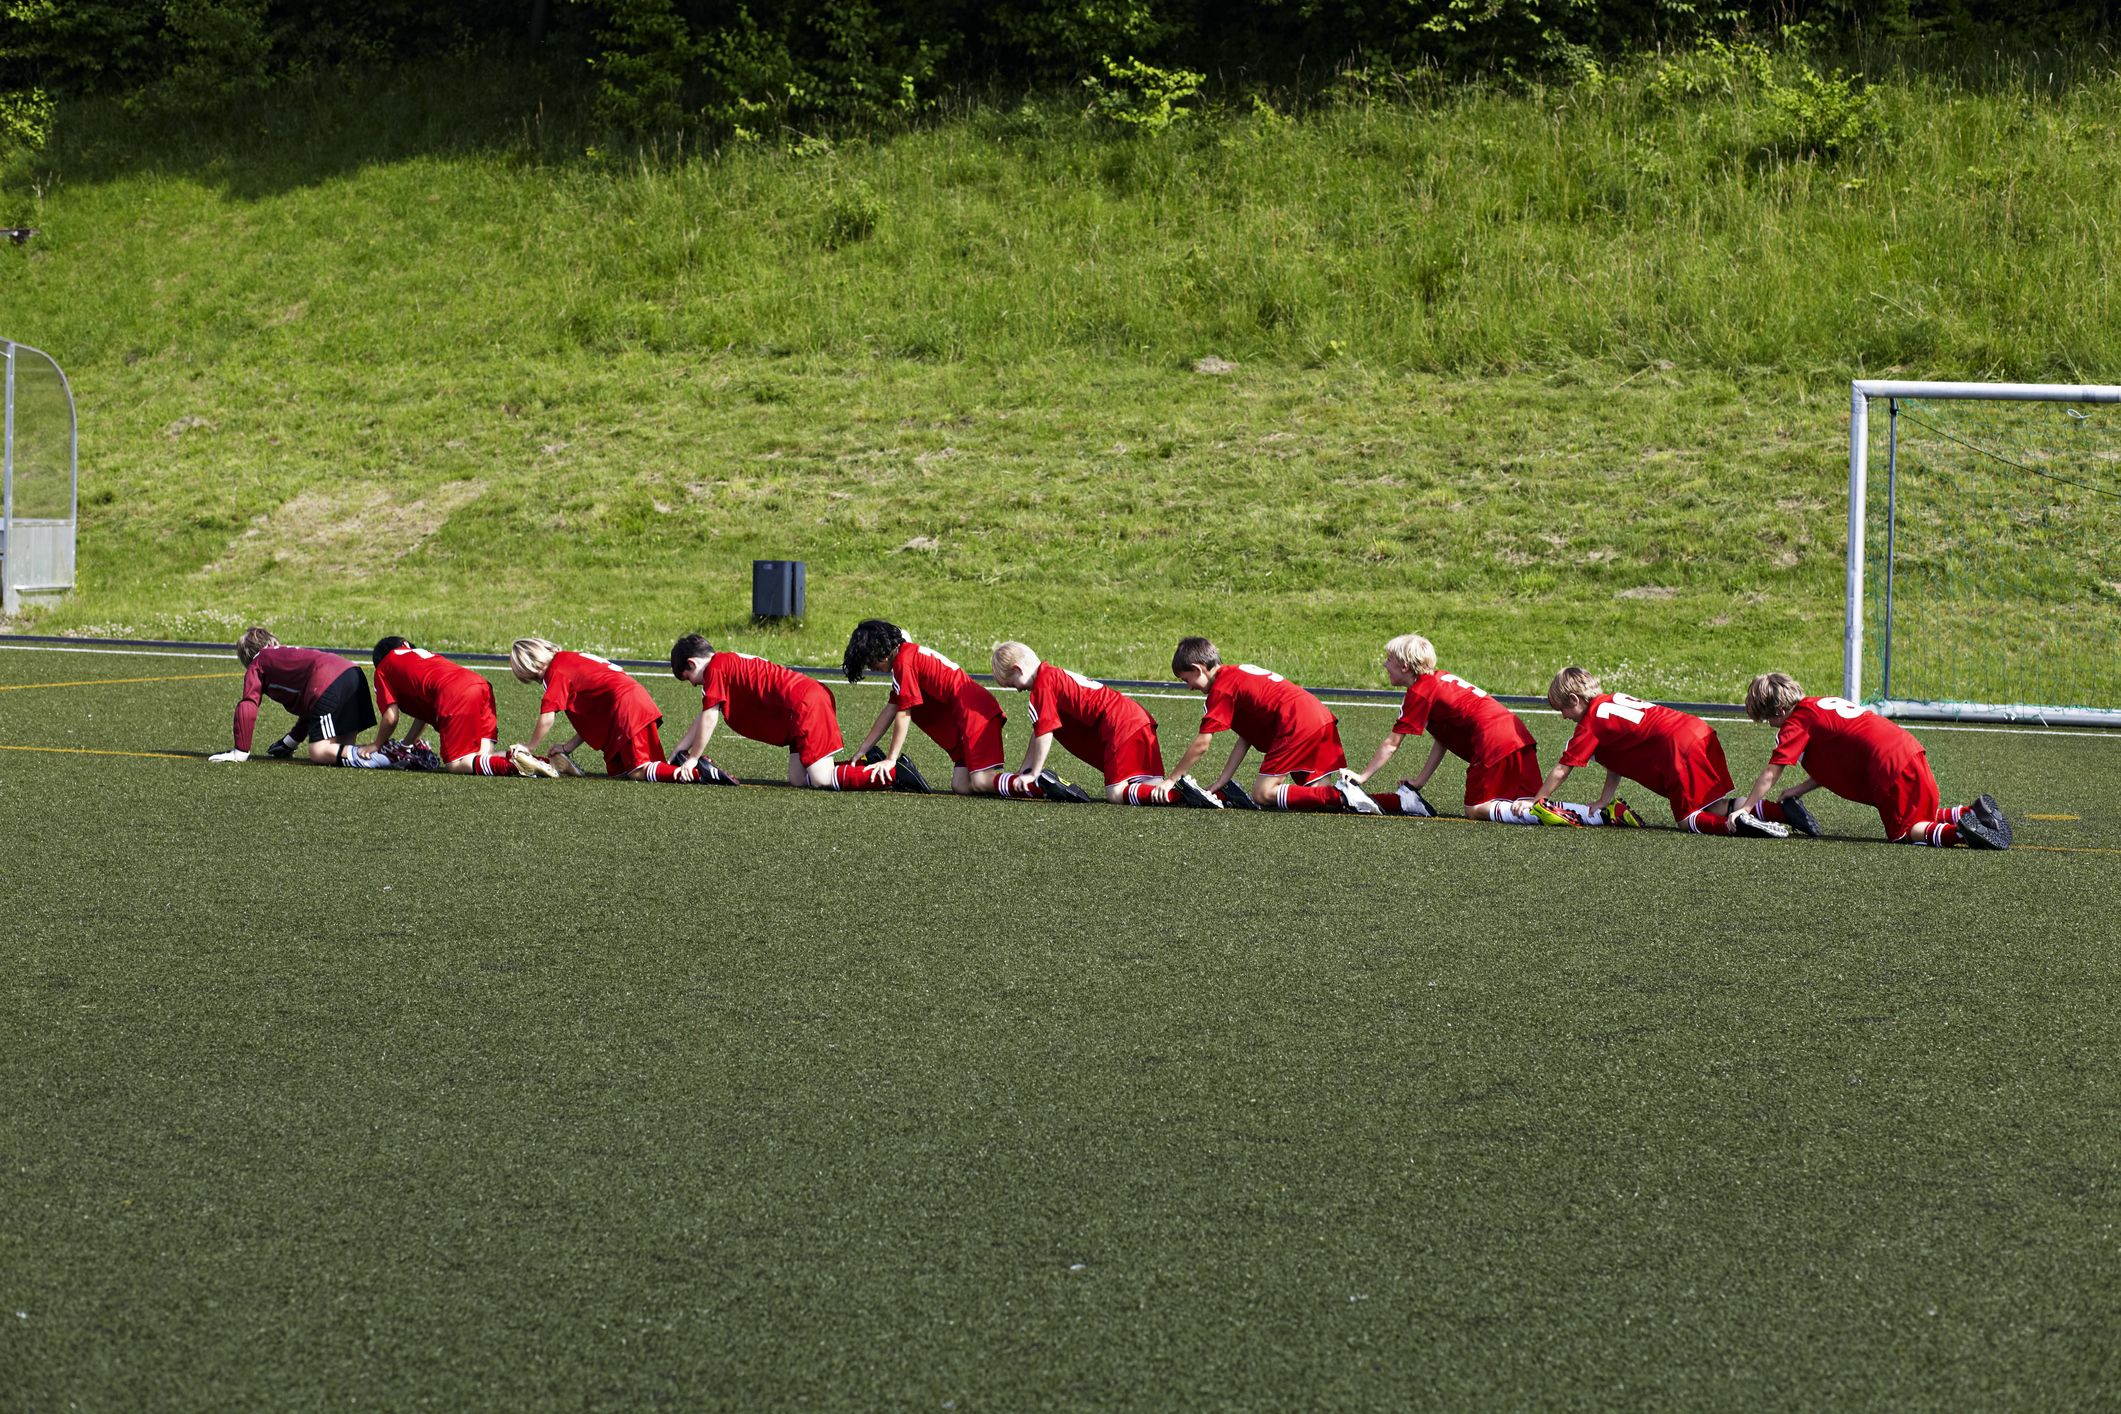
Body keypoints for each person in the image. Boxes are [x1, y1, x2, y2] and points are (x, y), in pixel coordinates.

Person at [1737, 673, 2010, 848]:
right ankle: (1971, 813)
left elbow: (1772, 772)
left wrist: (1746, 809)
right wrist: (1798, 790)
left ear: (1780, 710)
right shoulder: (1818, 705)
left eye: (1768, 719)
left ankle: (1961, 834)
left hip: (1886, 765)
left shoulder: (1795, 723)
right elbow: (1833, 763)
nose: (1771, 725)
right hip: (1909, 748)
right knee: (1920, 815)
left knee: (1904, 832)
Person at [1533, 667, 1785, 836]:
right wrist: (1604, 800)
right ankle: (1784, 812)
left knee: (1687, 820)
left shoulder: (1590, 723)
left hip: (1679, 748)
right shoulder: (1611, 700)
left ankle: (1736, 825)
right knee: (1714, 807)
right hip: (1701, 732)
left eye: (1562, 709)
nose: (1563, 716)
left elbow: (1562, 769)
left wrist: (1537, 801)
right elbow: (1614, 763)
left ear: (1575, 699)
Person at [1347, 633, 1564, 824]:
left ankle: (1530, 815)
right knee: (1532, 802)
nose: (1385, 665)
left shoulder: (1419, 693)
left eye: (1389, 660)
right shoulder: (1439, 679)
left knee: (1475, 809)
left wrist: (1362, 777)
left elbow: (1392, 744)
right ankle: (1578, 813)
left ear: (1405, 667)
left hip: (1493, 739)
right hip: (1518, 733)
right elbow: (1443, 740)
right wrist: (1419, 782)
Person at [667, 633, 923, 792]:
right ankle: (869, 764)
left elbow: (710, 716)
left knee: (822, 779)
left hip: (804, 704)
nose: (693, 684)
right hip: (799, 707)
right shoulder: (722, 664)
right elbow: (704, 714)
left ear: (692, 663)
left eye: (688, 677)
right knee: (799, 778)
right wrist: (680, 750)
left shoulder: (716, 668)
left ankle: (893, 772)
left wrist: (693, 758)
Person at [1157, 637, 1376, 813]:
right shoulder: (1235, 673)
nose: (1189, 687)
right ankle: (1351, 796)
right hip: (1319, 716)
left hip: (1297, 722)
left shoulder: (1221, 688)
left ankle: (1342, 794)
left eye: (1186, 680)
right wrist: (1222, 781)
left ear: (1197, 669)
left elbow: (1202, 744)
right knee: (1322, 801)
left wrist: (1171, 780)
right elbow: (1247, 736)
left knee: (1262, 793)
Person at [989, 641, 1219, 806]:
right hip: (1137, 716)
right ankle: (1186, 793)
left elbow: (1044, 731)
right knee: (1151, 786)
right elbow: (1039, 727)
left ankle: (1181, 794)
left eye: (1012, 683)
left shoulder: (1042, 684)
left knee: (1116, 793)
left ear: (1019, 669)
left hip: (1120, 724)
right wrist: (1024, 770)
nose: (1017, 689)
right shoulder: (1052, 674)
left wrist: (1034, 773)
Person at [843, 620, 1004, 796]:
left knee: (981, 781)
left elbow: (903, 714)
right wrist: (863, 750)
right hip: (969, 714)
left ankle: (1026, 783)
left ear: (878, 649)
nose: (871, 668)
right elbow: (890, 710)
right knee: (961, 785)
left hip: (976, 712)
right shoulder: (905, 658)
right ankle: (1016, 783)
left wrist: (891, 759)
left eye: (869, 661)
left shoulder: (904, 662)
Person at [370, 636, 555, 777]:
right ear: (405, 644)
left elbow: (391, 717)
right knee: (485, 754)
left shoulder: (383, 668)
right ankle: (545, 763)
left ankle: (515, 766)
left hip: (454, 692)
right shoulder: (421, 656)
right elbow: (423, 714)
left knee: (456, 764)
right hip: (480, 684)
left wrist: (376, 745)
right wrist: (406, 745)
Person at [208, 626, 392, 767]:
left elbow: (248, 703)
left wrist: (240, 752)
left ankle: (384, 755)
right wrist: (289, 743)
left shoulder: (258, 662)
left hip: (329, 680)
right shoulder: (289, 656)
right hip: (353, 673)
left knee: (319, 752)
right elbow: (312, 709)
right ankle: (390, 753)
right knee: (340, 751)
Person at [509, 637, 686, 782]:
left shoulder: (555, 671)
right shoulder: (568, 659)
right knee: (620, 772)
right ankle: (683, 763)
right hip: (629, 703)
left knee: (638, 771)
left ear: (530, 667)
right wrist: (566, 748)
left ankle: (693, 772)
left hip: (626, 707)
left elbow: (547, 717)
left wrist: (529, 746)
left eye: (533, 678)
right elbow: (591, 718)